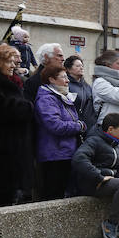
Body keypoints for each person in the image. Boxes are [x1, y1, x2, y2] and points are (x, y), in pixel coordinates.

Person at [0, 44, 35, 208]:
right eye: (9, 62)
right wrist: (28, 107)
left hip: (15, 147)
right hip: (3, 148)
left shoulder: (12, 82)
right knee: (0, 194)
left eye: (14, 61)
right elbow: (8, 109)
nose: (13, 65)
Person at [34, 65, 86, 200]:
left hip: (65, 152)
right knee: (53, 195)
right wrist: (79, 126)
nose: (67, 80)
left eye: (67, 77)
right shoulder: (47, 98)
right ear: (51, 79)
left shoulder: (61, 96)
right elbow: (55, 125)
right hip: (55, 154)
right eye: (63, 77)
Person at [64, 55, 96, 131]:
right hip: (75, 125)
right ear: (69, 69)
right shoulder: (66, 85)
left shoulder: (86, 85)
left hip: (90, 125)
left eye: (82, 66)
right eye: (78, 66)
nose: (81, 68)